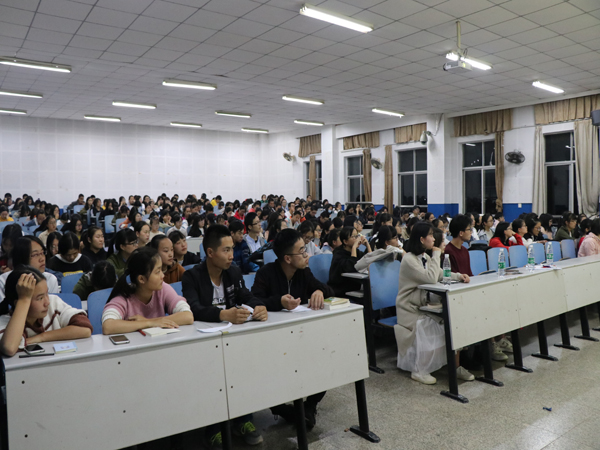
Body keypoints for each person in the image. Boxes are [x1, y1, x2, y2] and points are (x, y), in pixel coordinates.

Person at [181, 225, 266, 447]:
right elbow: (193, 309)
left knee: (244, 372)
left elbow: (245, 295)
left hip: (232, 339)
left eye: (232, 249)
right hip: (203, 342)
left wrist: (258, 306)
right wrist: (222, 314)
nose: (231, 255)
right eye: (226, 250)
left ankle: (243, 420)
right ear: (210, 252)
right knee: (212, 379)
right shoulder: (192, 276)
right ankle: (213, 428)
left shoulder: (233, 272)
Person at [252, 228, 334, 429]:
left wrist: (318, 290)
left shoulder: (304, 272)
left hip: (300, 335)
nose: (307, 255)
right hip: (272, 339)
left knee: (326, 360)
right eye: (302, 251)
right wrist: (279, 302)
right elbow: (254, 301)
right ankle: (282, 409)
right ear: (287, 258)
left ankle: (309, 406)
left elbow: (329, 289)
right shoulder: (266, 273)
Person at [394, 222, 474, 385]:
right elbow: (430, 278)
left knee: (450, 323)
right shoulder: (409, 259)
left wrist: (459, 276)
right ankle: (419, 370)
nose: (433, 239)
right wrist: (437, 254)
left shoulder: (424, 257)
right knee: (431, 326)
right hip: (409, 309)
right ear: (422, 239)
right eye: (430, 235)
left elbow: (439, 273)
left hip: (422, 306)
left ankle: (452, 365)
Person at [0, 265, 92, 357]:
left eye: (47, 294)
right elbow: (9, 348)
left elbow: (85, 329)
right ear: (19, 303)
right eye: (40, 298)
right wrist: (24, 300)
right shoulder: (6, 321)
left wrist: (41, 337)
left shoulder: (53, 303)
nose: (47, 302)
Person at [102, 247, 193, 335]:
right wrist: (151, 323)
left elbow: (187, 316)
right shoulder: (124, 297)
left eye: (161, 270)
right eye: (157, 272)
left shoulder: (162, 289)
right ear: (141, 279)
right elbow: (108, 326)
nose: (162, 275)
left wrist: (148, 321)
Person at [0, 236, 60, 303]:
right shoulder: (3, 281)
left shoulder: (50, 279)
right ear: (21, 257)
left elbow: (50, 306)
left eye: (43, 253)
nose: (42, 259)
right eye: (35, 254)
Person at [328, 226, 372, 297]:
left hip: (354, 288)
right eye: (354, 237)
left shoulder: (357, 252)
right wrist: (354, 247)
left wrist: (368, 245)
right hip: (341, 290)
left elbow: (370, 260)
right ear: (345, 241)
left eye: (357, 236)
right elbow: (352, 267)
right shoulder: (338, 254)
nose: (357, 239)